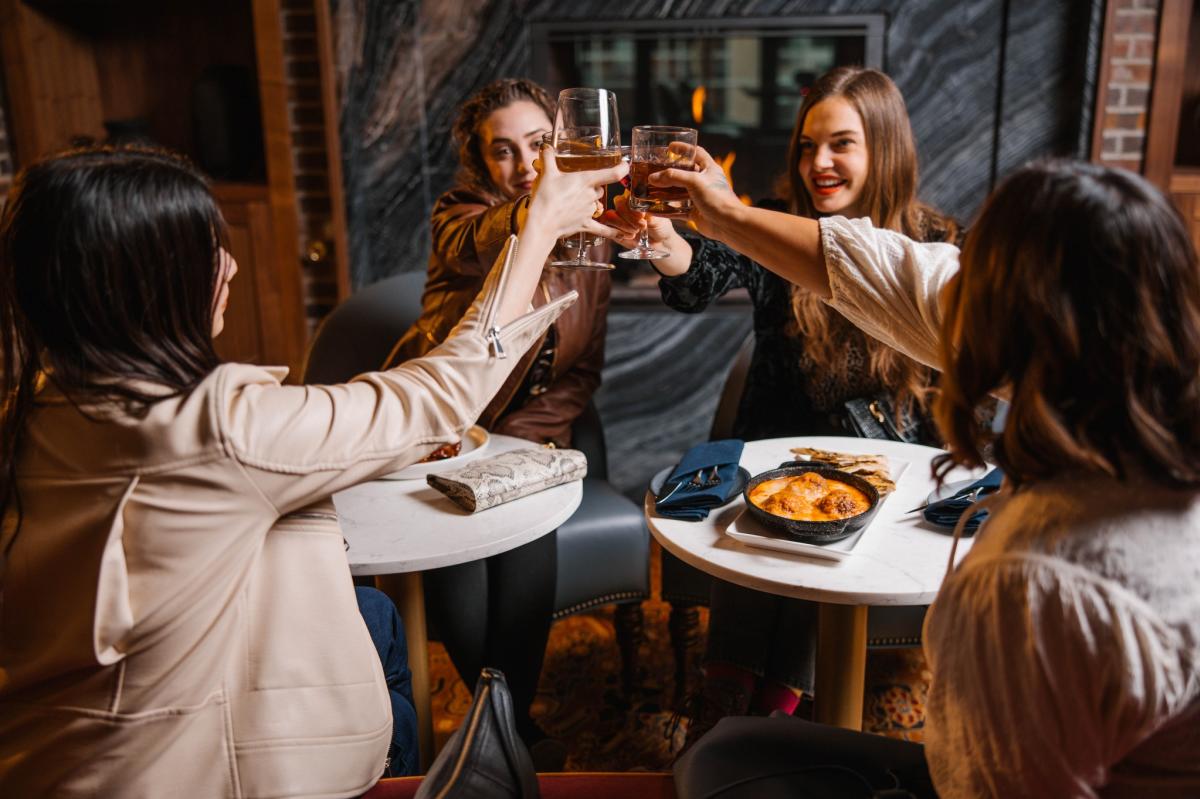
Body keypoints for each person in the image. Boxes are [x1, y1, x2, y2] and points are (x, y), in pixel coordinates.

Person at [0, 144, 625, 797]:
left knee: (378, 617)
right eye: (209, 251)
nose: (232, 265)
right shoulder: (210, 428)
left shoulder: (34, 404)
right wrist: (539, 229)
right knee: (393, 689)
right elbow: (437, 399)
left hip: (39, 754)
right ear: (148, 284)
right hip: (162, 769)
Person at [656, 149, 1200, 795]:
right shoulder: (1148, 403)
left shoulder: (1033, 586)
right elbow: (886, 273)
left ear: (1004, 322)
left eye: (974, 279)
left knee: (716, 768)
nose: (954, 283)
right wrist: (722, 215)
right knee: (729, 746)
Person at [608, 66, 960, 745]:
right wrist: (661, 241)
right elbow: (703, 272)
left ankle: (771, 715)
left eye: (841, 144)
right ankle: (731, 699)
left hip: (889, 474)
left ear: (884, 147)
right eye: (806, 145)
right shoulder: (777, 226)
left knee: (823, 528)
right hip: (778, 452)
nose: (818, 163)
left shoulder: (934, 241)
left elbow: (959, 387)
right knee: (762, 515)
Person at [385, 78, 613, 762]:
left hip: (525, 431)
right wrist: (540, 214)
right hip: (441, 429)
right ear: (482, 164)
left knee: (525, 523)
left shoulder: (591, 238)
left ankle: (502, 729)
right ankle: (511, 732)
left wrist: (526, 443)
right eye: (505, 152)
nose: (528, 166)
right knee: (458, 549)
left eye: (541, 144)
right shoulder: (461, 215)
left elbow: (582, 370)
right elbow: (480, 238)